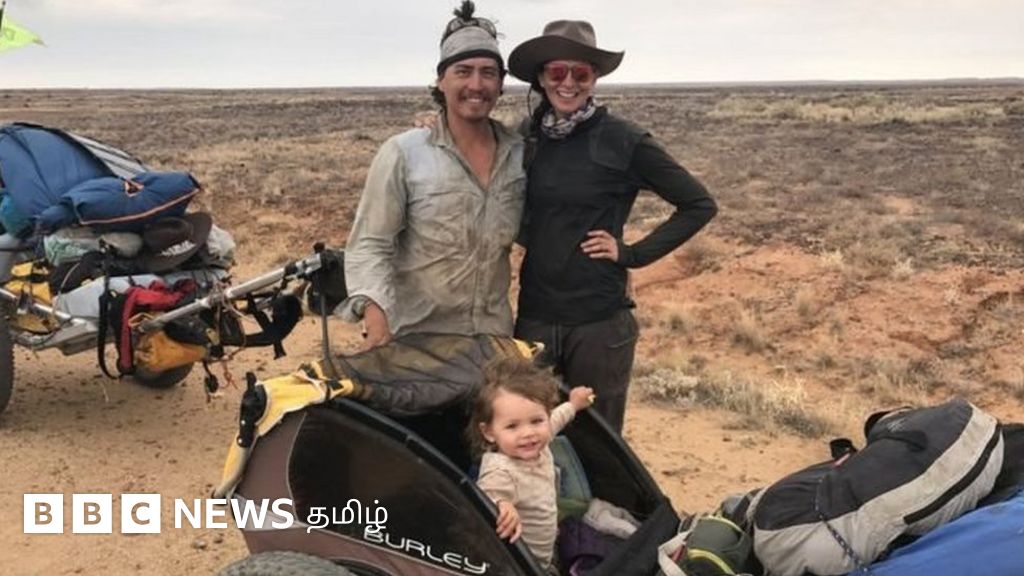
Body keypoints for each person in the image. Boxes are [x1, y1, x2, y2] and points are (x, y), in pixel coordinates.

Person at [507, 21, 718, 433]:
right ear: (541, 78)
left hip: (598, 323)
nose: (568, 83)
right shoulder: (524, 138)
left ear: (595, 78)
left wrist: (632, 254)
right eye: (557, 72)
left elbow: (698, 204)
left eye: (581, 73)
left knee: (598, 439)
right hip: (535, 314)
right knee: (527, 432)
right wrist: (432, 129)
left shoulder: (623, 139)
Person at [339, 1, 525, 348]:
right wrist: (374, 314)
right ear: (441, 81)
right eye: (463, 71)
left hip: (492, 339)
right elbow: (370, 243)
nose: (476, 84)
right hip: (414, 340)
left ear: (501, 83)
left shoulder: (519, 154)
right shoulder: (404, 153)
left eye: (488, 73)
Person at [468, 357, 594, 572]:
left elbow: (556, 419)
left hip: (546, 548)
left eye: (536, 421)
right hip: (524, 565)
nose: (528, 433)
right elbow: (488, 493)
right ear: (489, 432)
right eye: (512, 426)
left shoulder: (539, 441)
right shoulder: (501, 471)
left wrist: (573, 403)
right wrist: (502, 505)